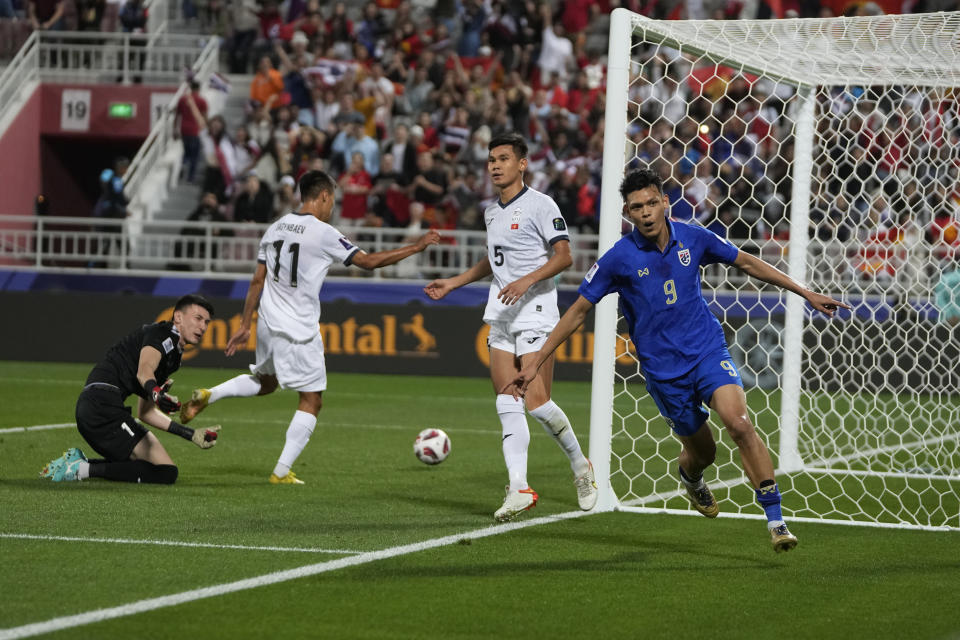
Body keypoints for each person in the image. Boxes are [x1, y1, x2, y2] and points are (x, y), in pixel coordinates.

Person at [505, 168, 851, 552]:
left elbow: (748, 262)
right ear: (628, 212)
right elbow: (578, 311)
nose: (647, 212)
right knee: (704, 453)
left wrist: (805, 292)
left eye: (652, 202)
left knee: (738, 423)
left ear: (665, 202)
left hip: (706, 350)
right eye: (637, 207)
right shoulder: (619, 258)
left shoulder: (694, 236)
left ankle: (776, 521)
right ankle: (690, 477)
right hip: (664, 374)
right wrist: (536, 360)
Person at [177, 170, 440, 484]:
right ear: (324, 196)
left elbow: (257, 280)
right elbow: (369, 262)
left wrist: (245, 323)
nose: (333, 207)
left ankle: (210, 394)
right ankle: (280, 471)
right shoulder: (323, 232)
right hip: (298, 330)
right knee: (312, 399)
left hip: (267, 323)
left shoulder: (274, 228)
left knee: (266, 382)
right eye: (333, 200)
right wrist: (417, 246)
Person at [424, 132, 598, 522]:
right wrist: (454, 282)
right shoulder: (491, 211)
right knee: (506, 400)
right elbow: (494, 258)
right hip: (500, 313)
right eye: (490, 160)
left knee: (536, 403)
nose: (495, 165)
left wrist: (526, 280)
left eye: (503, 158)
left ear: (522, 164)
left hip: (536, 310)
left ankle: (580, 467)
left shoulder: (541, 204)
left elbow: (565, 256)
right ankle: (519, 486)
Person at [40, 295, 221, 485]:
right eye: (198, 318)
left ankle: (79, 465)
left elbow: (146, 412)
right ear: (178, 317)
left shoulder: (174, 357)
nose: (203, 326)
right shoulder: (161, 333)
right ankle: (81, 469)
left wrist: (190, 434)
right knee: (161, 473)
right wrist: (157, 394)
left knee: (166, 471)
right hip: (101, 405)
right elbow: (144, 372)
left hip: (105, 407)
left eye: (207, 322)